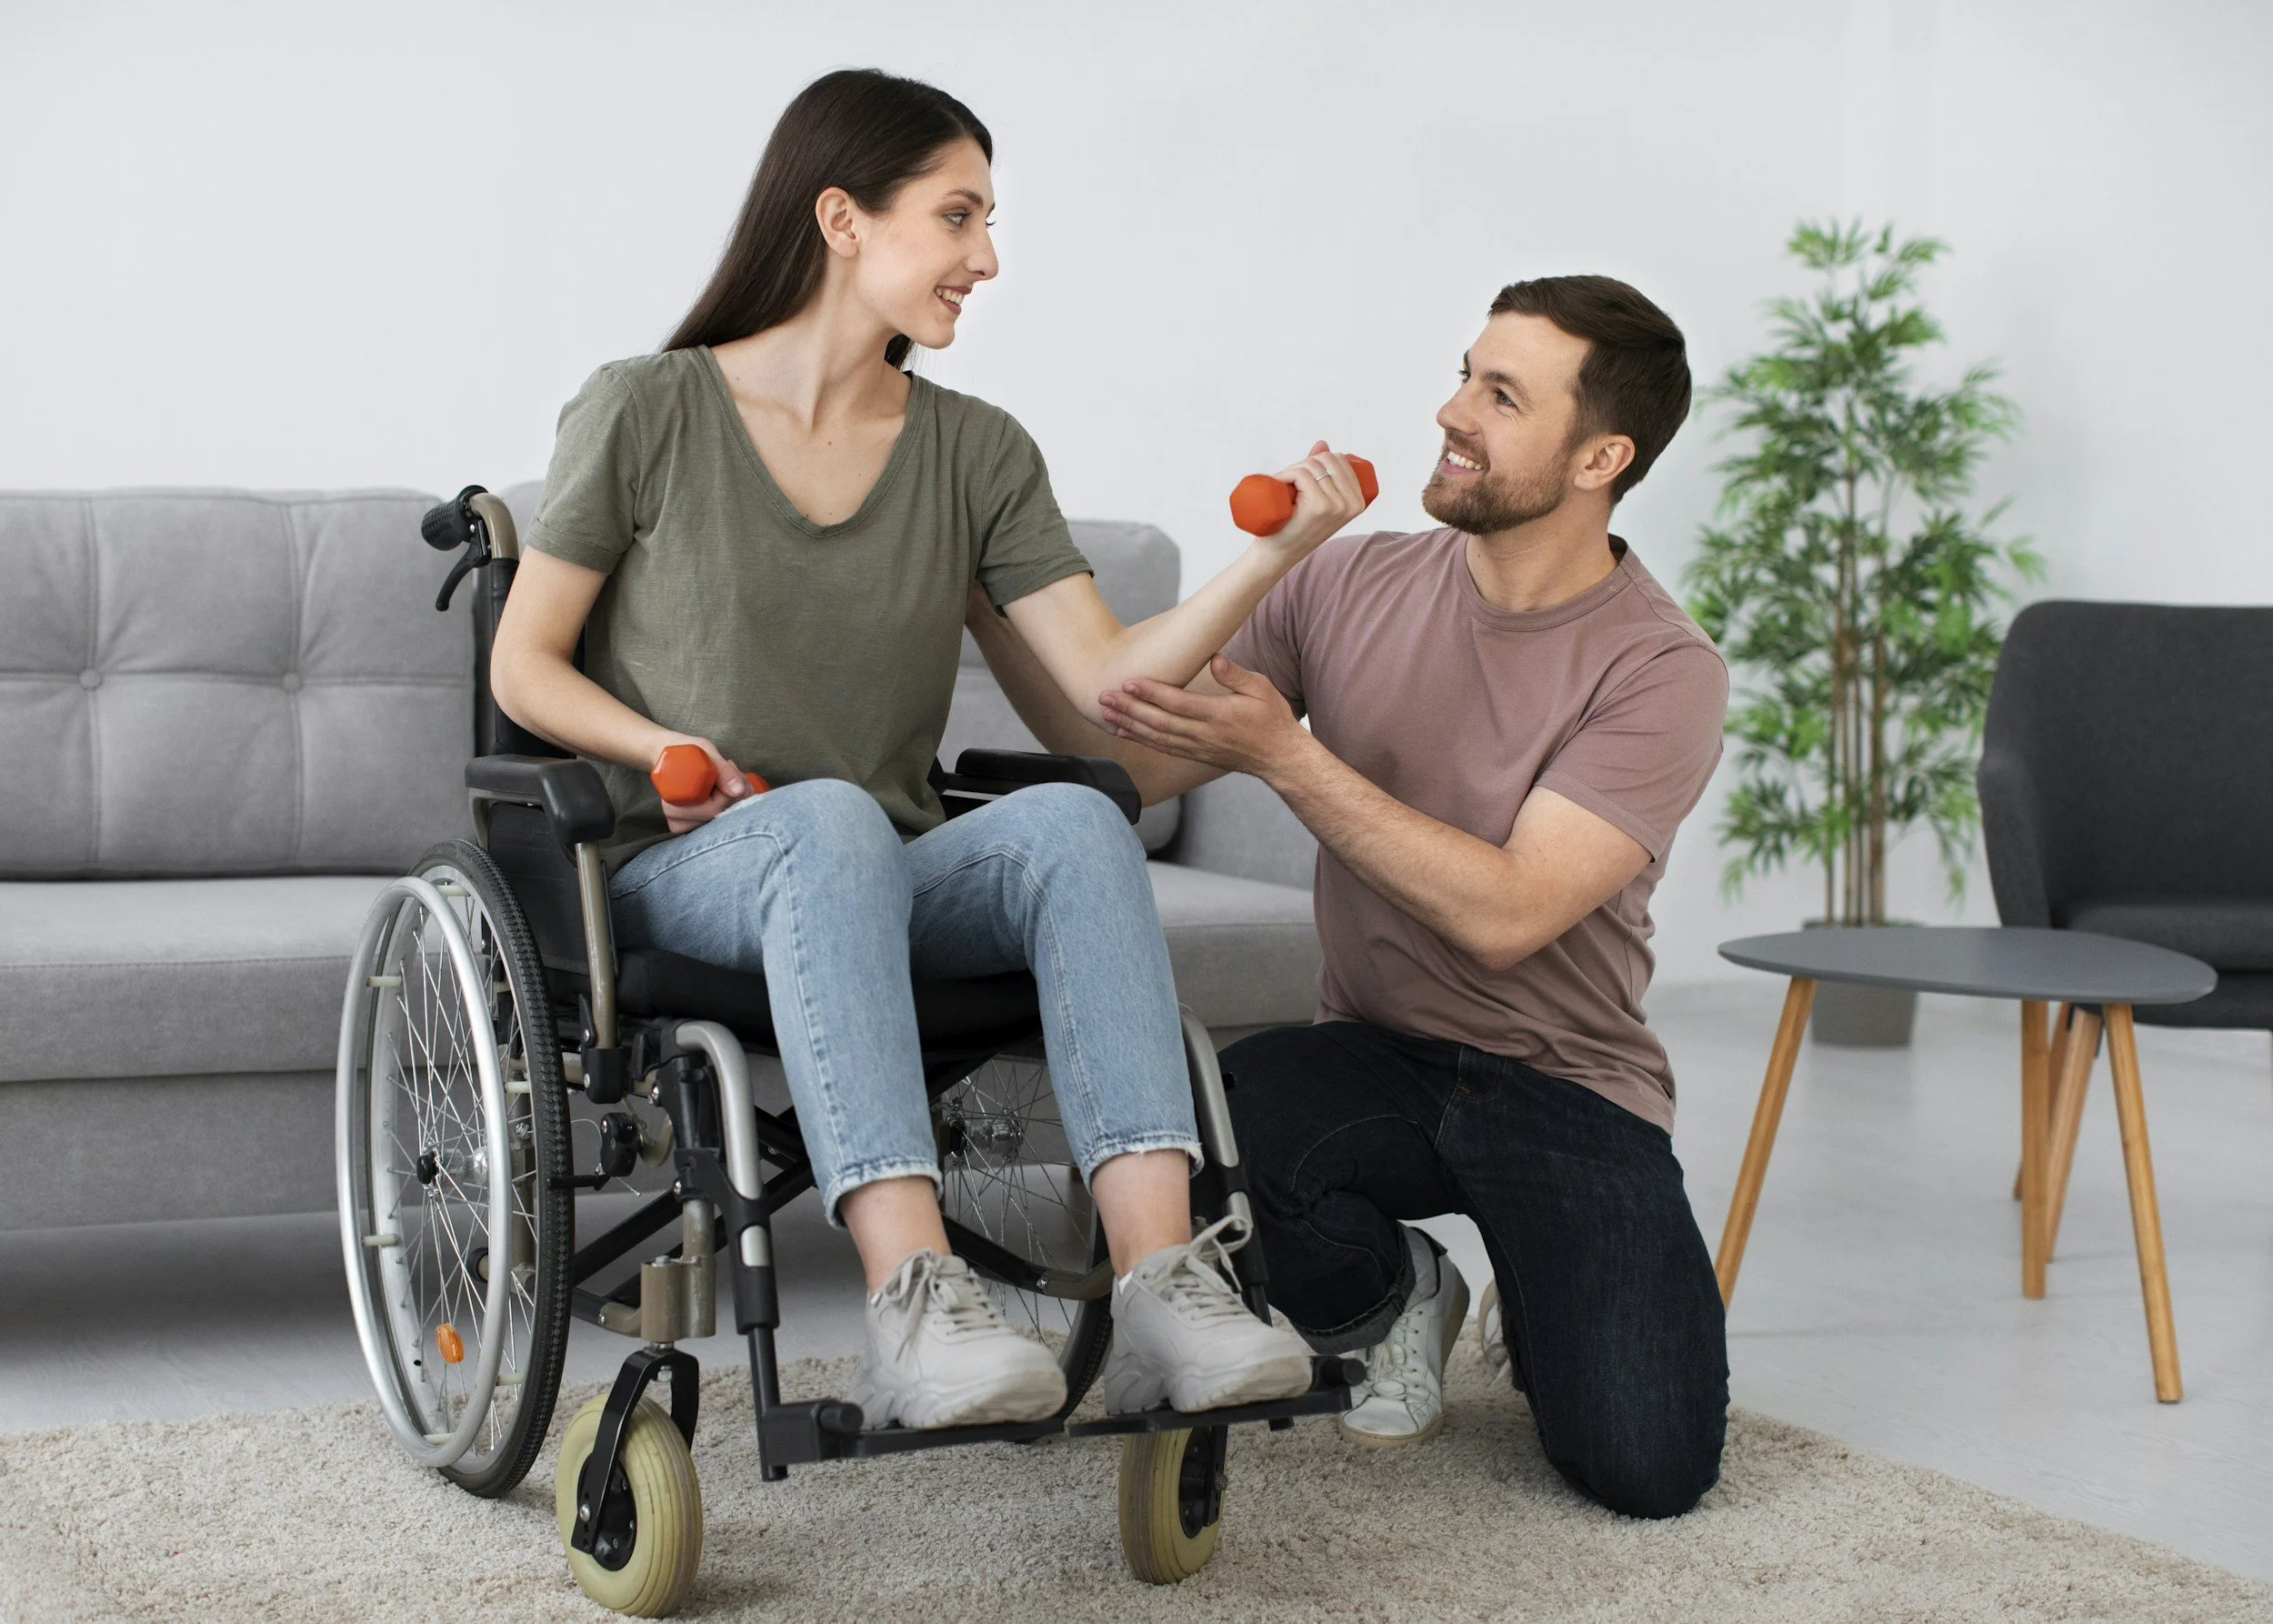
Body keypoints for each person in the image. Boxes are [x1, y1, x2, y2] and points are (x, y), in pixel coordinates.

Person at [488, 68, 1356, 1430]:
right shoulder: (645, 408)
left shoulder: (976, 451)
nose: (987, 258)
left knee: (1075, 819)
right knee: (829, 819)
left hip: (880, 865)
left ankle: (1164, 1292)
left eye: (990, 224)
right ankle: (911, 1308)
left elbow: (1098, 691)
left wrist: (1274, 555)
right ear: (843, 217)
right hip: (684, 860)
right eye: (959, 218)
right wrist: (665, 746)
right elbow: (522, 664)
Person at [971, 276, 1731, 1515]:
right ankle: (1399, 1294)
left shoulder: (1662, 667)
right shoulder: (1346, 583)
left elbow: (1507, 912)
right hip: (1369, 1056)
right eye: (1464, 372)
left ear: (1602, 455)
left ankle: (1546, 1298)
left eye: (1501, 394)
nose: (1452, 411)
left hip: (1569, 1084)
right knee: (1206, 1138)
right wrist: (999, 600)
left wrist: (1288, 754)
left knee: (1646, 1466)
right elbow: (1144, 756)